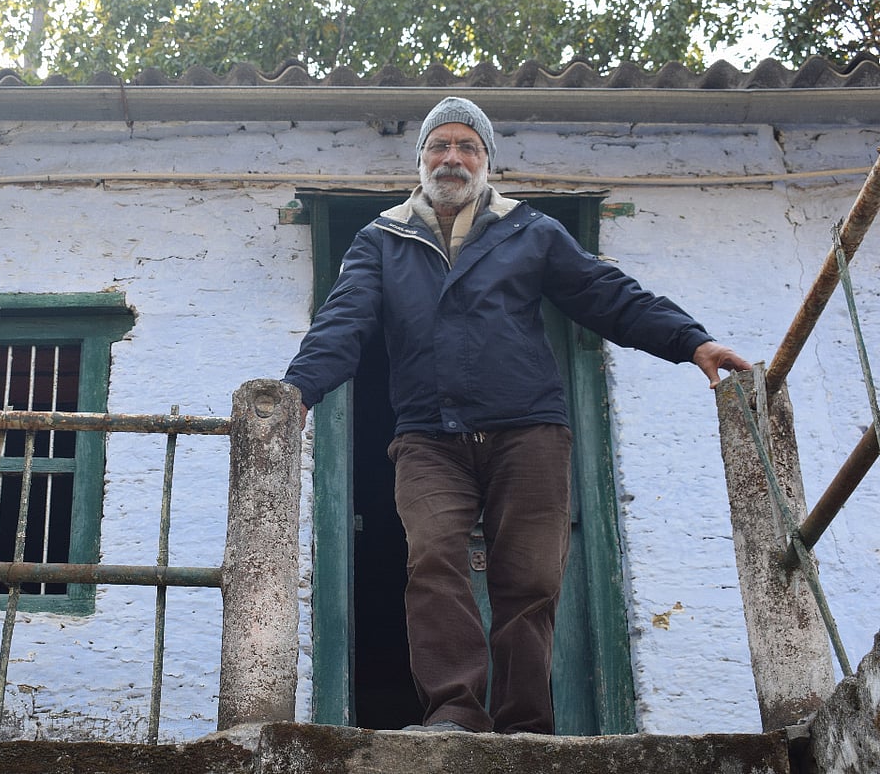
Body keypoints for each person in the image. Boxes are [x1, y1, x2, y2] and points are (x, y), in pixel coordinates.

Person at [282, 96, 750, 735]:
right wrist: (297, 391)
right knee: (433, 563)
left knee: (529, 580)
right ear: (420, 160)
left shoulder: (528, 229)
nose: (452, 158)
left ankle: (526, 724)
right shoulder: (381, 239)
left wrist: (690, 340)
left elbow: (606, 294)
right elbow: (343, 322)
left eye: (466, 147)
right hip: (427, 438)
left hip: (528, 430)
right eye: (439, 146)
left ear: (486, 161)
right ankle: (453, 712)